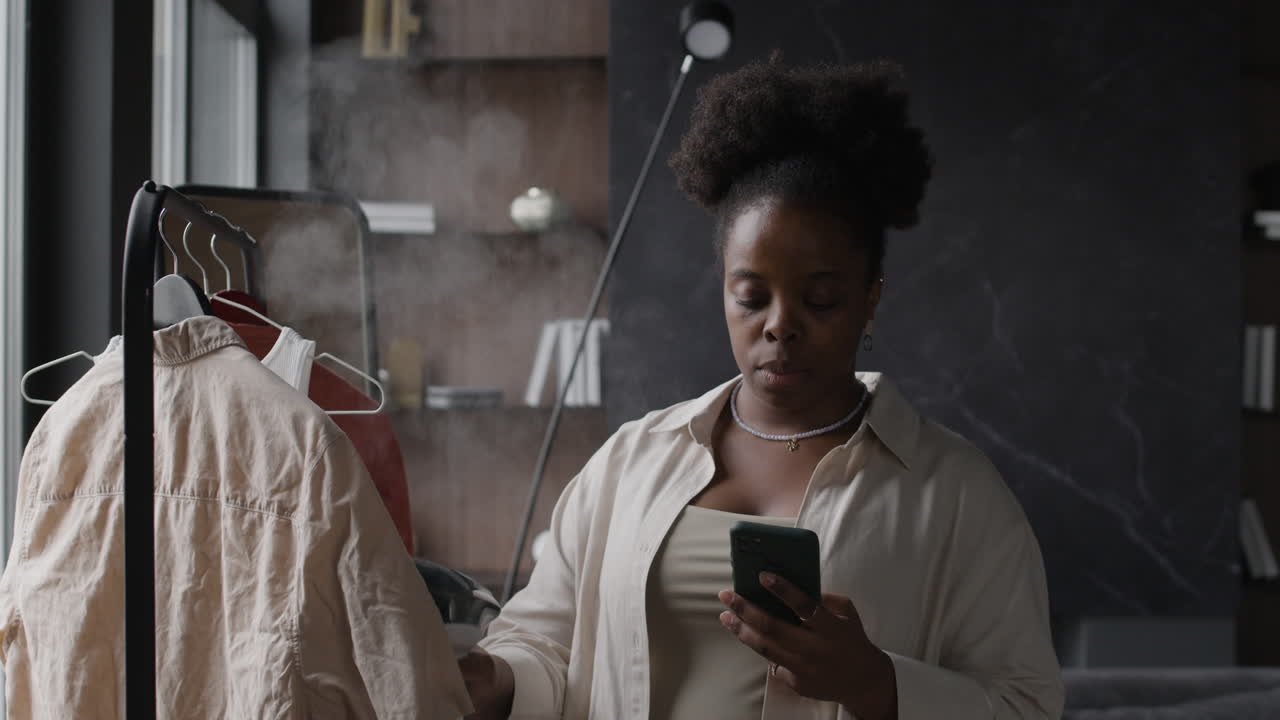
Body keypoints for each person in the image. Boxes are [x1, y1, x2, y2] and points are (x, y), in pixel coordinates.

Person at [459, 56, 1063, 720]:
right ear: (723, 290)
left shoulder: (955, 495)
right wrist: (484, 678)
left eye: (823, 299)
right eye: (751, 296)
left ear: (870, 300)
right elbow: (540, 645)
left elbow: (1027, 706)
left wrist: (877, 684)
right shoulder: (628, 463)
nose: (781, 326)